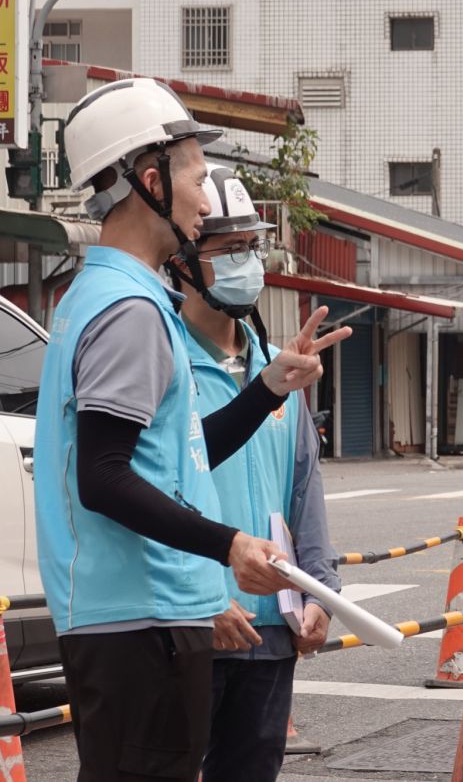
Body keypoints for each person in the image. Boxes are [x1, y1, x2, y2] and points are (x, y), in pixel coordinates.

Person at [35, 78, 351, 782]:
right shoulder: (131, 310)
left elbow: (176, 460)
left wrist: (266, 389)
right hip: (141, 624)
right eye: (197, 177)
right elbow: (103, 476)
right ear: (150, 181)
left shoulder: (114, 296)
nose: (205, 199)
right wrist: (228, 543)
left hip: (133, 619)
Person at [166, 165, 341, 781]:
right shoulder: (164, 361)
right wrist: (202, 598)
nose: (246, 261)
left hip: (271, 626)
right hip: (194, 627)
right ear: (184, 261)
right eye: (228, 247)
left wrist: (321, 587)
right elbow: (152, 492)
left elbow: (303, 486)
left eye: (251, 245)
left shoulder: (279, 366)